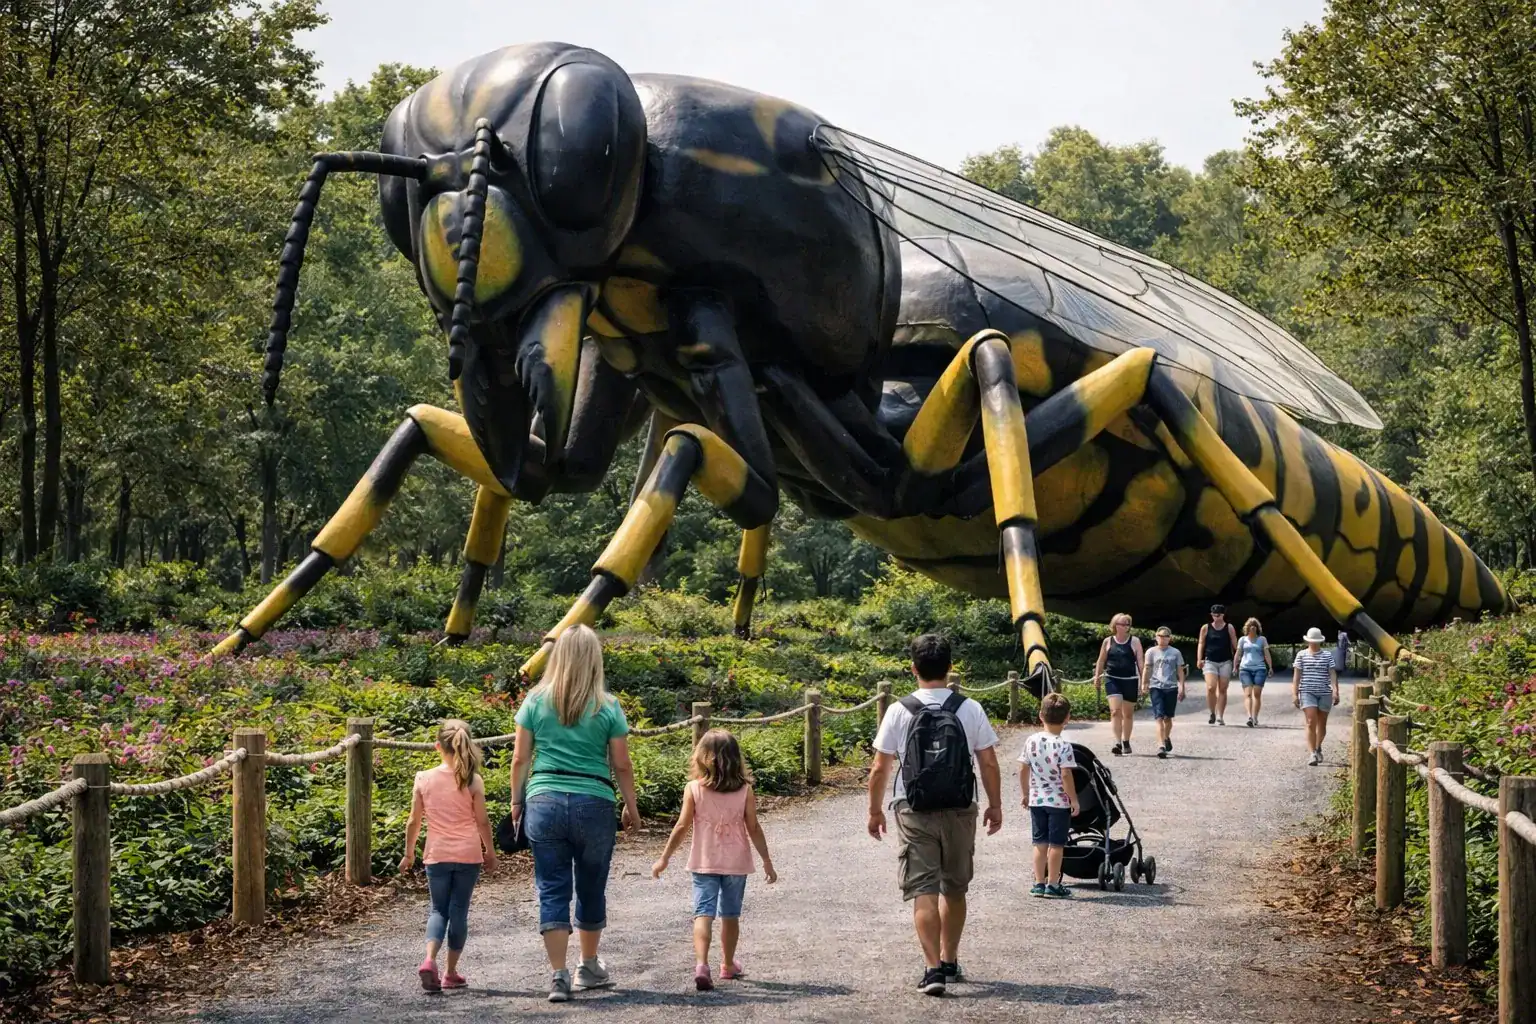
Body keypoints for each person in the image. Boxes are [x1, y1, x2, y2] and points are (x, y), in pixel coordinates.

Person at [510, 625, 642, 1003]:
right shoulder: (607, 705)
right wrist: (631, 807)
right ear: (594, 659)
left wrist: (516, 802)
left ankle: (558, 976)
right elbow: (622, 764)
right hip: (594, 801)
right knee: (591, 884)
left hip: (544, 799)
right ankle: (588, 965)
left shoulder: (536, 701)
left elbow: (520, 759)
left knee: (552, 887)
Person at [867, 633, 1002, 997]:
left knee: (924, 889)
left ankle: (932, 971)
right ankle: (949, 959)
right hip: (960, 807)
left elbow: (879, 768)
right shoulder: (969, 708)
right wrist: (995, 805)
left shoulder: (900, 710)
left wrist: (875, 811)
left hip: (914, 809)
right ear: (950, 668)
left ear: (913, 669)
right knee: (954, 888)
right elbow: (988, 762)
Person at [652, 729, 778, 991]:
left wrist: (664, 858)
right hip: (736, 863)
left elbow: (681, 826)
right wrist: (766, 860)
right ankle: (728, 965)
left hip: (703, 861)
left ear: (701, 757)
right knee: (730, 915)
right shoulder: (745, 790)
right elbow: (754, 827)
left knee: (703, 913)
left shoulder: (693, 789)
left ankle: (701, 965)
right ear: (736, 758)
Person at [399, 719, 498, 993]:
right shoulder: (473, 780)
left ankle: (429, 960)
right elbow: (483, 822)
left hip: (437, 854)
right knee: (459, 911)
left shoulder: (423, 778)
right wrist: (490, 851)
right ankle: (450, 972)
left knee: (438, 909)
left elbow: (414, 821)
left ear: (437, 747)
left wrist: (408, 854)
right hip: (468, 855)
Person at [1019, 693, 1080, 898]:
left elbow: (1023, 768)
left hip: (1037, 800)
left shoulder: (1031, 741)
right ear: (1067, 718)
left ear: (1040, 716)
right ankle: (1053, 884)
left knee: (1039, 842)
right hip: (1059, 802)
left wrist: (1026, 793)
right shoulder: (1064, 745)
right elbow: (1066, 774)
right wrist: (1073, 799)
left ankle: (1038, 883)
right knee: (1056, 844)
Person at [1093, 613, 1144, 755]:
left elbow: (1140, 662)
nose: (1125, 627)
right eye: (1122, 624)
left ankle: (1126, 741)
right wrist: (1097, 676)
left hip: (1130, 680)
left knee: (1128, 714)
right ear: (1115, 625)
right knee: (1115, 711)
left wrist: (1144, 681)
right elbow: (1101, 660)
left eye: (1127, 624)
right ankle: (1117, 742)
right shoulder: (1108, 641)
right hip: (1112, 678)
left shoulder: (1135, 641)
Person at [1292, 627, 1341, 766]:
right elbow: (1296, 676)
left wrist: (1335, 691)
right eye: (1311, 641)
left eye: (1316, 641)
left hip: (1324, 692)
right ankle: (1312, 753)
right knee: (1310, 721)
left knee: (1322, 724)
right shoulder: (1301, 655)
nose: (1313, 643)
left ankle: (1318, 746)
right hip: (1307, 691)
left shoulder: (1327, 655)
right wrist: (1294, 693)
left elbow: (1332, 674)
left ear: (1320, 641)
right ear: (1308, 641)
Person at [1141, 627, 1186, 758]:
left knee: (1168, 717)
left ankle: (1166, 737)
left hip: (1171, 686)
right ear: (1156, 637)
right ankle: (1160, 745)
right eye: (1160, 636)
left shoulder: (1175, 652)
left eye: (1166, 636)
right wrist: (1144, 683)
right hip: (1156, 686)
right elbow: (1147, 668)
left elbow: (1180, 670)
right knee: (1159, 717)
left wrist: (1182, 687)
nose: (1163, 638)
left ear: (1169, 638)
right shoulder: (1151, 652)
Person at [1197, 604, 1238, 726]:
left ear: (1223, 615)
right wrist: (1199, 659)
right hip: (1210, 660)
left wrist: (1238, 658)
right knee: (1211, 687)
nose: (1216, 617)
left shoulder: (1229, 627)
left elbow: (1235, 644)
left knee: (1223, 688)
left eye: (1218, 615)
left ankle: (1221, 716)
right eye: (1214, 615)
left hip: (1226, 661)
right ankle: (1212, 712)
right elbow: (1201, 643)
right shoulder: (1206, 627)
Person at [1237, 618, 1274, 728]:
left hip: (1260, 668)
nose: (1252, 627)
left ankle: (1255, 716)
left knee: (1257, 694)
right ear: (1247, 628)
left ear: (1257, 628)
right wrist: (1235, 665)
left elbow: (1267, 654)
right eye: (1250, 625)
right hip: (1245, 668)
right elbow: (1238, 653)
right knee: (1248, 694)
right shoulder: (1242, 640)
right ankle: (1249, 717)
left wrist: (1270, 667)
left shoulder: (1262, 639)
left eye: (1254, 625)